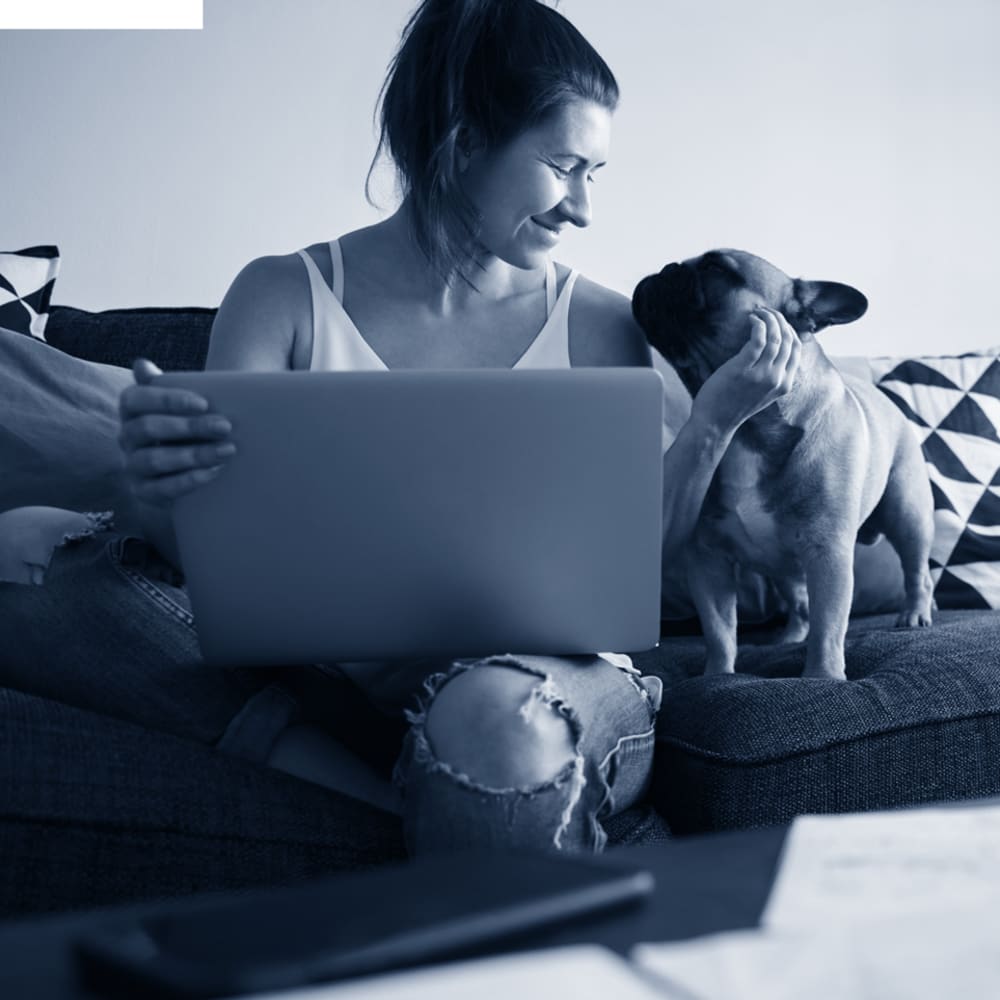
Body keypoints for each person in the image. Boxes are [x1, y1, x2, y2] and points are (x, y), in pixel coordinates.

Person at [11, 0, 802, 853]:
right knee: (30, 583)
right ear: (463, 141)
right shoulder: (281, 297)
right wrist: (157, 486)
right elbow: (212, 562)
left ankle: (471, 798)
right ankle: (454, 820)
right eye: (565, 166)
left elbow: (633, 567)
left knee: (493, 719)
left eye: (593, 174)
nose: (582, 208)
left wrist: (714, 419)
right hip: (322, 684)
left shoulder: (600, 324)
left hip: (541, 687)